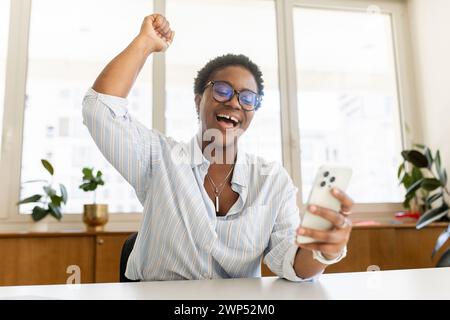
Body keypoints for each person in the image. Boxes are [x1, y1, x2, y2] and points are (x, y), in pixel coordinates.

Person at [82, 13, 353, 281]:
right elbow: (99, 110)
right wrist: (144, 43)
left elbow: (292, 265)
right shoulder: (158, 158)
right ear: (199, 100)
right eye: (222, 90)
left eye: (248, 98)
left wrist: (323, 250)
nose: (234, 103)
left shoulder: (273, 181)